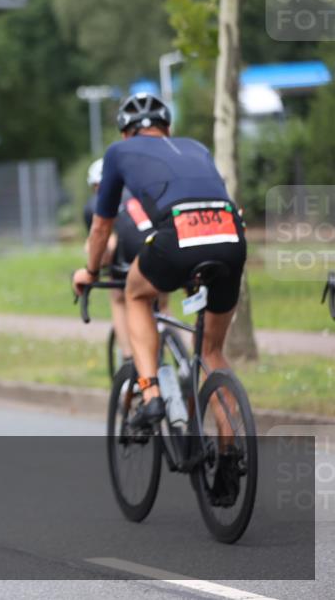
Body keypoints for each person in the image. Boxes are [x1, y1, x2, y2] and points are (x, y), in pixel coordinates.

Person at [72, 93, 247, 449]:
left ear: (125, 133)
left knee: (136, 295)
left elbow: (101, 227)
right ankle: (230, 458)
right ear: (168, 129)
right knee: (212, 351)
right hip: (230, 235)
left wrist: (90, 272)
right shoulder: (196, 148)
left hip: (177, 235)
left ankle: (150, 394)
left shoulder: (118, 153)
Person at [83, 158, 162, 372]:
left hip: (132, 258)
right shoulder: (139, 193)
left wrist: (94, 267)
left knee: (119, 298)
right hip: (162, 250)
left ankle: (129, 359)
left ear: (97, 185)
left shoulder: (98, 202)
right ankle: (180, 355)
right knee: (162, 304)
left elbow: (107, 244)